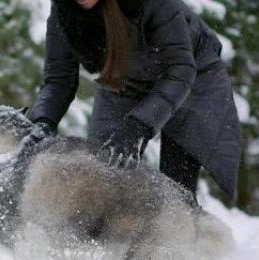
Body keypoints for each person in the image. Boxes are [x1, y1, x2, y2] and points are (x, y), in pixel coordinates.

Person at [28, 0, 241, 203]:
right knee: (101, 170)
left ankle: (186, 236)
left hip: (192, 79)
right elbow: (59, 79)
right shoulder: (63, 14)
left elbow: (180, 70)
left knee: (176, 188)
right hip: (124, 81)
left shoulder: (154, 4)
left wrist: (138, 125)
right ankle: (107, 237)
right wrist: (42, 122)